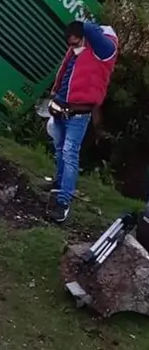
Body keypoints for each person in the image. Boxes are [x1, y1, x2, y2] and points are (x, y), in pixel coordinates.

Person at [45, 21, 118, 223]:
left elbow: (89, 29)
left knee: (69, 153)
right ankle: (58, 184)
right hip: (61, 108)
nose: (73, 46)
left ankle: (64, 201)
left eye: (76, 41)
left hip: (78, 114)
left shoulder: (104, 50)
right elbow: (67, 74)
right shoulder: (78, 50)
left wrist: (83, 25)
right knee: (60, 149)